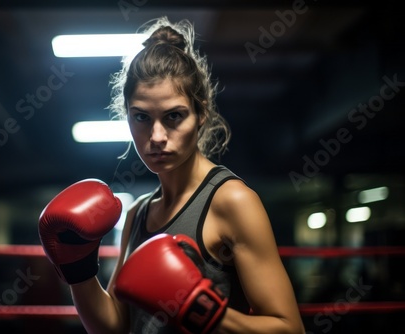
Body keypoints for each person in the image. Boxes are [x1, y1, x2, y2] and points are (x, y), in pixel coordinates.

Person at [39, 17, 305, 333]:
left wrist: (201, 310)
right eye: (141, 117)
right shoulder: (139, 213)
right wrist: (78, 270)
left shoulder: (232, 201)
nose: (157, 136)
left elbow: (290, 328)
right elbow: (112, 328)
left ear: (201, 112)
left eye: (174, 116)